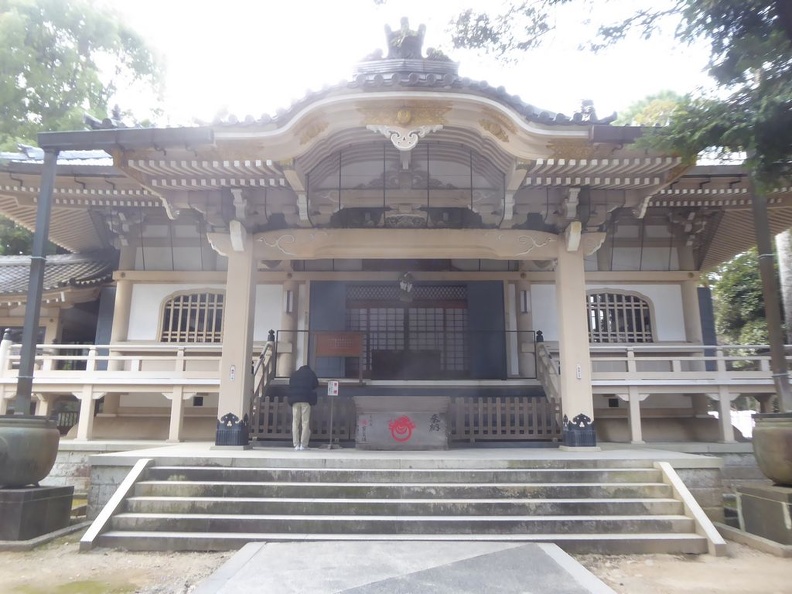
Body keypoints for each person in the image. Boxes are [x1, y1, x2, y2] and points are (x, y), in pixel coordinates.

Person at [288, 364, 318, 450]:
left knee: (295, 422)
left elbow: (290, 385)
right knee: (305, 422)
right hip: (305, 399)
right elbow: (316, 384)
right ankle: (303, 445)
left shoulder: (294, 374)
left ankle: (296, 445)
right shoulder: (310, 373)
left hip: (294, 400)